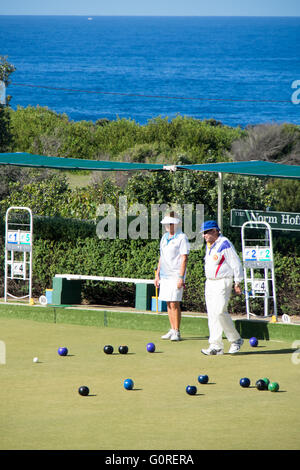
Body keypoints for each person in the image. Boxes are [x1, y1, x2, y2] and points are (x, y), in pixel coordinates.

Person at [200, 220, 244, 355]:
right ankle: (216, 346)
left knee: (219, 311)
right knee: (212, 314)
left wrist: (238, 282)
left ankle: (236, 339)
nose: (204, 236)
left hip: (222, 281)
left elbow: (236, 263)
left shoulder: (224, 243)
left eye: (206, 232)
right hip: (210, 282)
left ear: (214, 231)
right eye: (203, 233)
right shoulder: (209, 245)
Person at [154, 212, 190, 341]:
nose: (167, 226)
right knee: (169, 303)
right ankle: (172, 328)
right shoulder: (164, 238)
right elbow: (161, 257)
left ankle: (177, 331)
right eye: (166, 224)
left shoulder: (182, 238)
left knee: (174, 303)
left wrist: (181, 277)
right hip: (165, 276)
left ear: (176, 224)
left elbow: (184, 258)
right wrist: (157, 274)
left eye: (170, 223)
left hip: (176, 276)